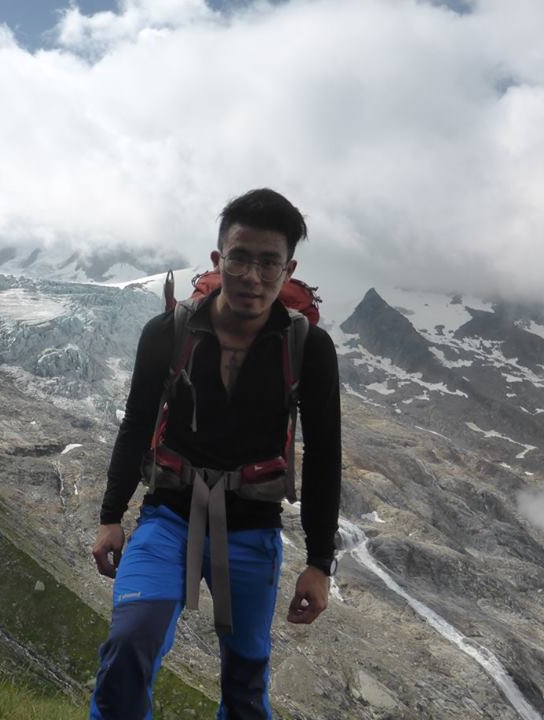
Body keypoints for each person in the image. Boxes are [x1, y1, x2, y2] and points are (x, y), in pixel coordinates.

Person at [89, 188, 342, 719]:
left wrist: (320, 563)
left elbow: (324, 456)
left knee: (246, 684)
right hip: (167, 516)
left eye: (268, 262)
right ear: (217, 258)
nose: (252, 276)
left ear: (288, 269)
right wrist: (111, 516)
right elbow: (137, 424)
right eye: (239, 258)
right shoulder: (168, 333)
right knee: (129, 643)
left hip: (252, 529)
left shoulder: (308, 348)